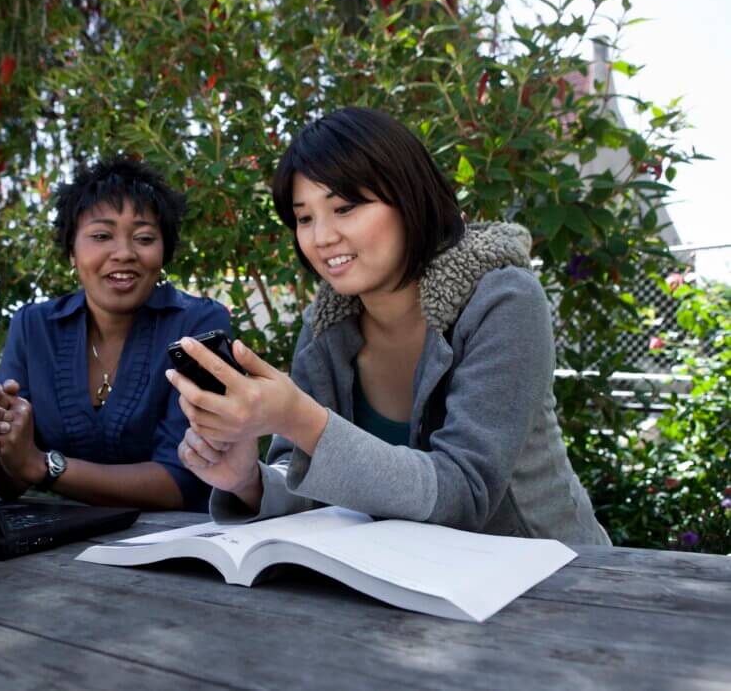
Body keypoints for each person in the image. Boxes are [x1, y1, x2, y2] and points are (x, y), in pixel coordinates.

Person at [167, 107, 611, 544]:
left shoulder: (502, 299)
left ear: (410, 198)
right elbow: (308, 484)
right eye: (304, 217)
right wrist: (247, 480)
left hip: (549, 577)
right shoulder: (326, 325)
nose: (321, 237)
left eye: (344, 207)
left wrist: (299, 418)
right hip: (401, 580)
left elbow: (467, 492)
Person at [0, 157, 231, 512]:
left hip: (175, 548)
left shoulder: (198, 325)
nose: (124, 253)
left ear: (163, 251)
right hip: (63, 549)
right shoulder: (34, 327)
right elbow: (10, 482)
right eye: (101, 236)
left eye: (144, 237)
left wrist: (42, 466)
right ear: (71, 251)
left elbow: (183, 480)